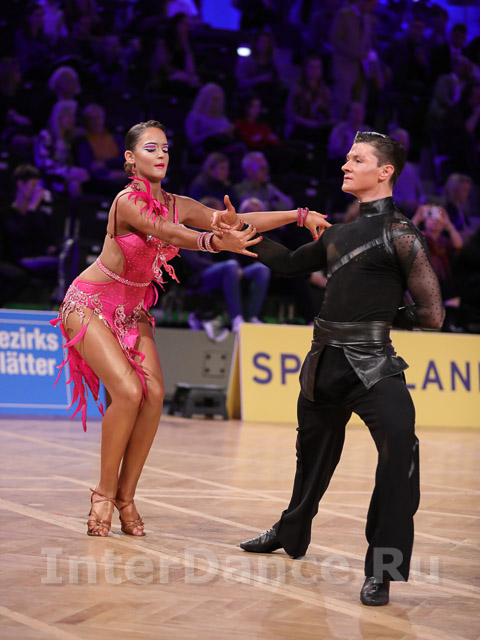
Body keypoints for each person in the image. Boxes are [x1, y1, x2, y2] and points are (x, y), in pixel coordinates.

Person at [50, 119, 329, 538]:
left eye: (165, 148)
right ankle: (103, 494)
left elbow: (237, 220)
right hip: (89, 304)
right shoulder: (127, 201)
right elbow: (166, 231)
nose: (161, 154)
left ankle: (127, 496)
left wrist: (297, 215)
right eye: (150, 148)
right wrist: (213, 242)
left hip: (134, 309)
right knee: (128, 392)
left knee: (154, 395)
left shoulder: (180, 203)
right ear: (130, 158)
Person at [234, 132, 445, 606]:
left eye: (357, 159)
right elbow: (288, 263)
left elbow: (432, 314)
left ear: (385, 171)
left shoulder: (402, 234)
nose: (346, 165)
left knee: (400, 452)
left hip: (373, 366)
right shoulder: (337, 234)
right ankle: (291, 533)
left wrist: (382, 316)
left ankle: (383, 569)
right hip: (323, 362)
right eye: (348, 158)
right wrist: (241, 234)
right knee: (309, 459)